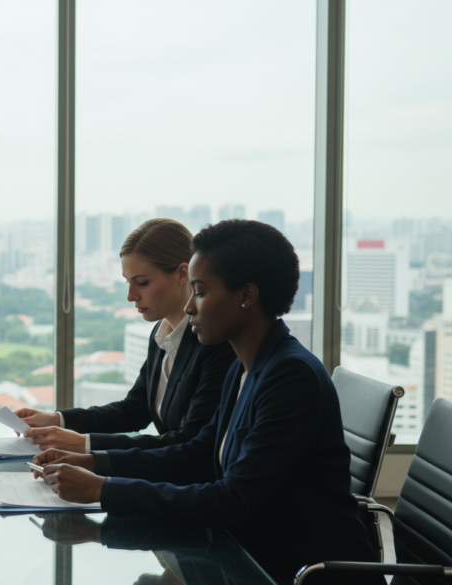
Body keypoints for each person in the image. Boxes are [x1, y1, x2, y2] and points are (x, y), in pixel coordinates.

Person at [33, 219, 381, 584]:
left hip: (294, 571)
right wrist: (93, 462)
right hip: (249, 556)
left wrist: (102, 489)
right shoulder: (247, 366)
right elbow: (196, 453)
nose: (188, 308)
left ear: (246, 295)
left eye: (199, 292)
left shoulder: (290, 377)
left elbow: (233, 502)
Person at [15, 218, 235, 452]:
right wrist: (57, 419)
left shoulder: (214, 343)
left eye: (142, 282)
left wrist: (84, 445)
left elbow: (190, 443)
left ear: (182, 274)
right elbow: (134, 410)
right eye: (128, 282)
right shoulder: (161, 335)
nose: (131, 296)